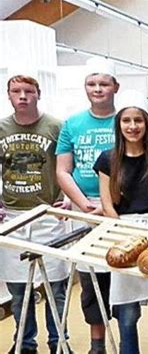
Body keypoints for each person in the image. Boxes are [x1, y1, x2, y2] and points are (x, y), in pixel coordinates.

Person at [93, 90, 148, 354]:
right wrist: (124, 233)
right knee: (127, 315)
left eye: (138, 120)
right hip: (123, 235)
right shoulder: (108, 159)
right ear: (119, 124)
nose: (132, 126)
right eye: (126, 120)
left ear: (147, 124)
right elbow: (107, 204)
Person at [0, 72, 71, 354]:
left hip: (47, 215)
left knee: (56, 286)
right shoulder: (1, 128)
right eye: (16, 91)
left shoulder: (55, 126)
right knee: (19, 290)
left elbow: (68, 166)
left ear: (38, 94)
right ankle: (25, 343)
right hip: (13, 217)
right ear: (8, 95)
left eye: (28, 91)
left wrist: (67, 198)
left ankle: (59, 342)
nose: (22, 97)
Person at [56, 57, 119, 354]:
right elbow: (62, 170)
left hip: (120, 209)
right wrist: (82, 203)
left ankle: (126, 337)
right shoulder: (72, 123)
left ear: (115, 87)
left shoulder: (128, 119)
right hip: (84, 209)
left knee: (121, 277)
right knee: (91, 278)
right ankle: (97, 344)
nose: (98, 89)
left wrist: (109, 207)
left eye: (104, 84)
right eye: (92, 84)